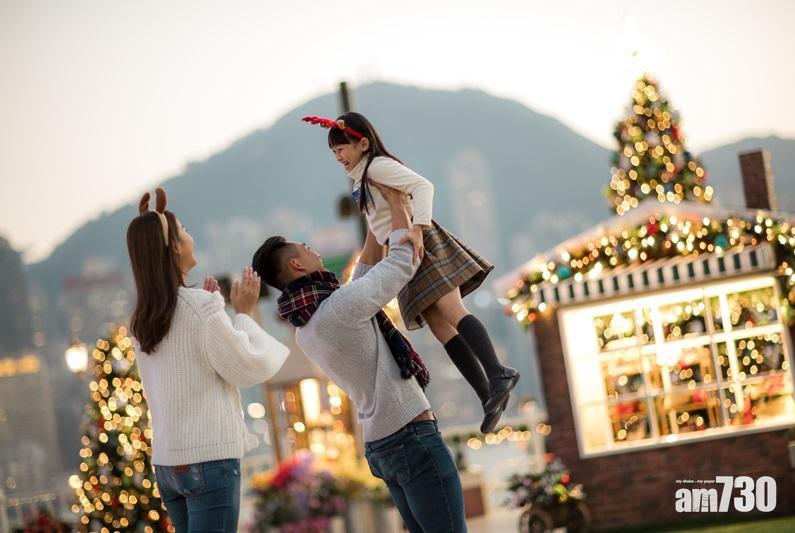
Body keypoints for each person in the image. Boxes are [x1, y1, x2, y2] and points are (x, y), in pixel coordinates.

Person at [251, 183, 467, 532]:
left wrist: (375, 224)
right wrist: (398, 204)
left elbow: (362, 281)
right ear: (296, 264)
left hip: (383, 444)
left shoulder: (308, 325)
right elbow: (400, 264)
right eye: (304, 248)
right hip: (411, 437)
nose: (312, 248)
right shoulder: (337, 309)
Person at [301, 112, 519, 433]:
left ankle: (498, 372)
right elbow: (376, 235)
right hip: (404, 250)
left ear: (363, 143)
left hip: (418, 243)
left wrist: (418, 229)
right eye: (334, 153)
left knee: (451, 311)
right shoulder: (361, 182)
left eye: (343, 149)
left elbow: (423, 186)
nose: (339, 157)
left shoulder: (376, 166)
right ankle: (487, 394)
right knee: (440, 327)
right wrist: (358, 282)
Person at [126, 188, 289, 533]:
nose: (190, 236)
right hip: (208, 460)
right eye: (184, 230)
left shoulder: (142, 319)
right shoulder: (198, 307)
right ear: (172, 247)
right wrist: (242, 314)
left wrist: (215, 315)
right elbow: (247, 366)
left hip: (169, 464)